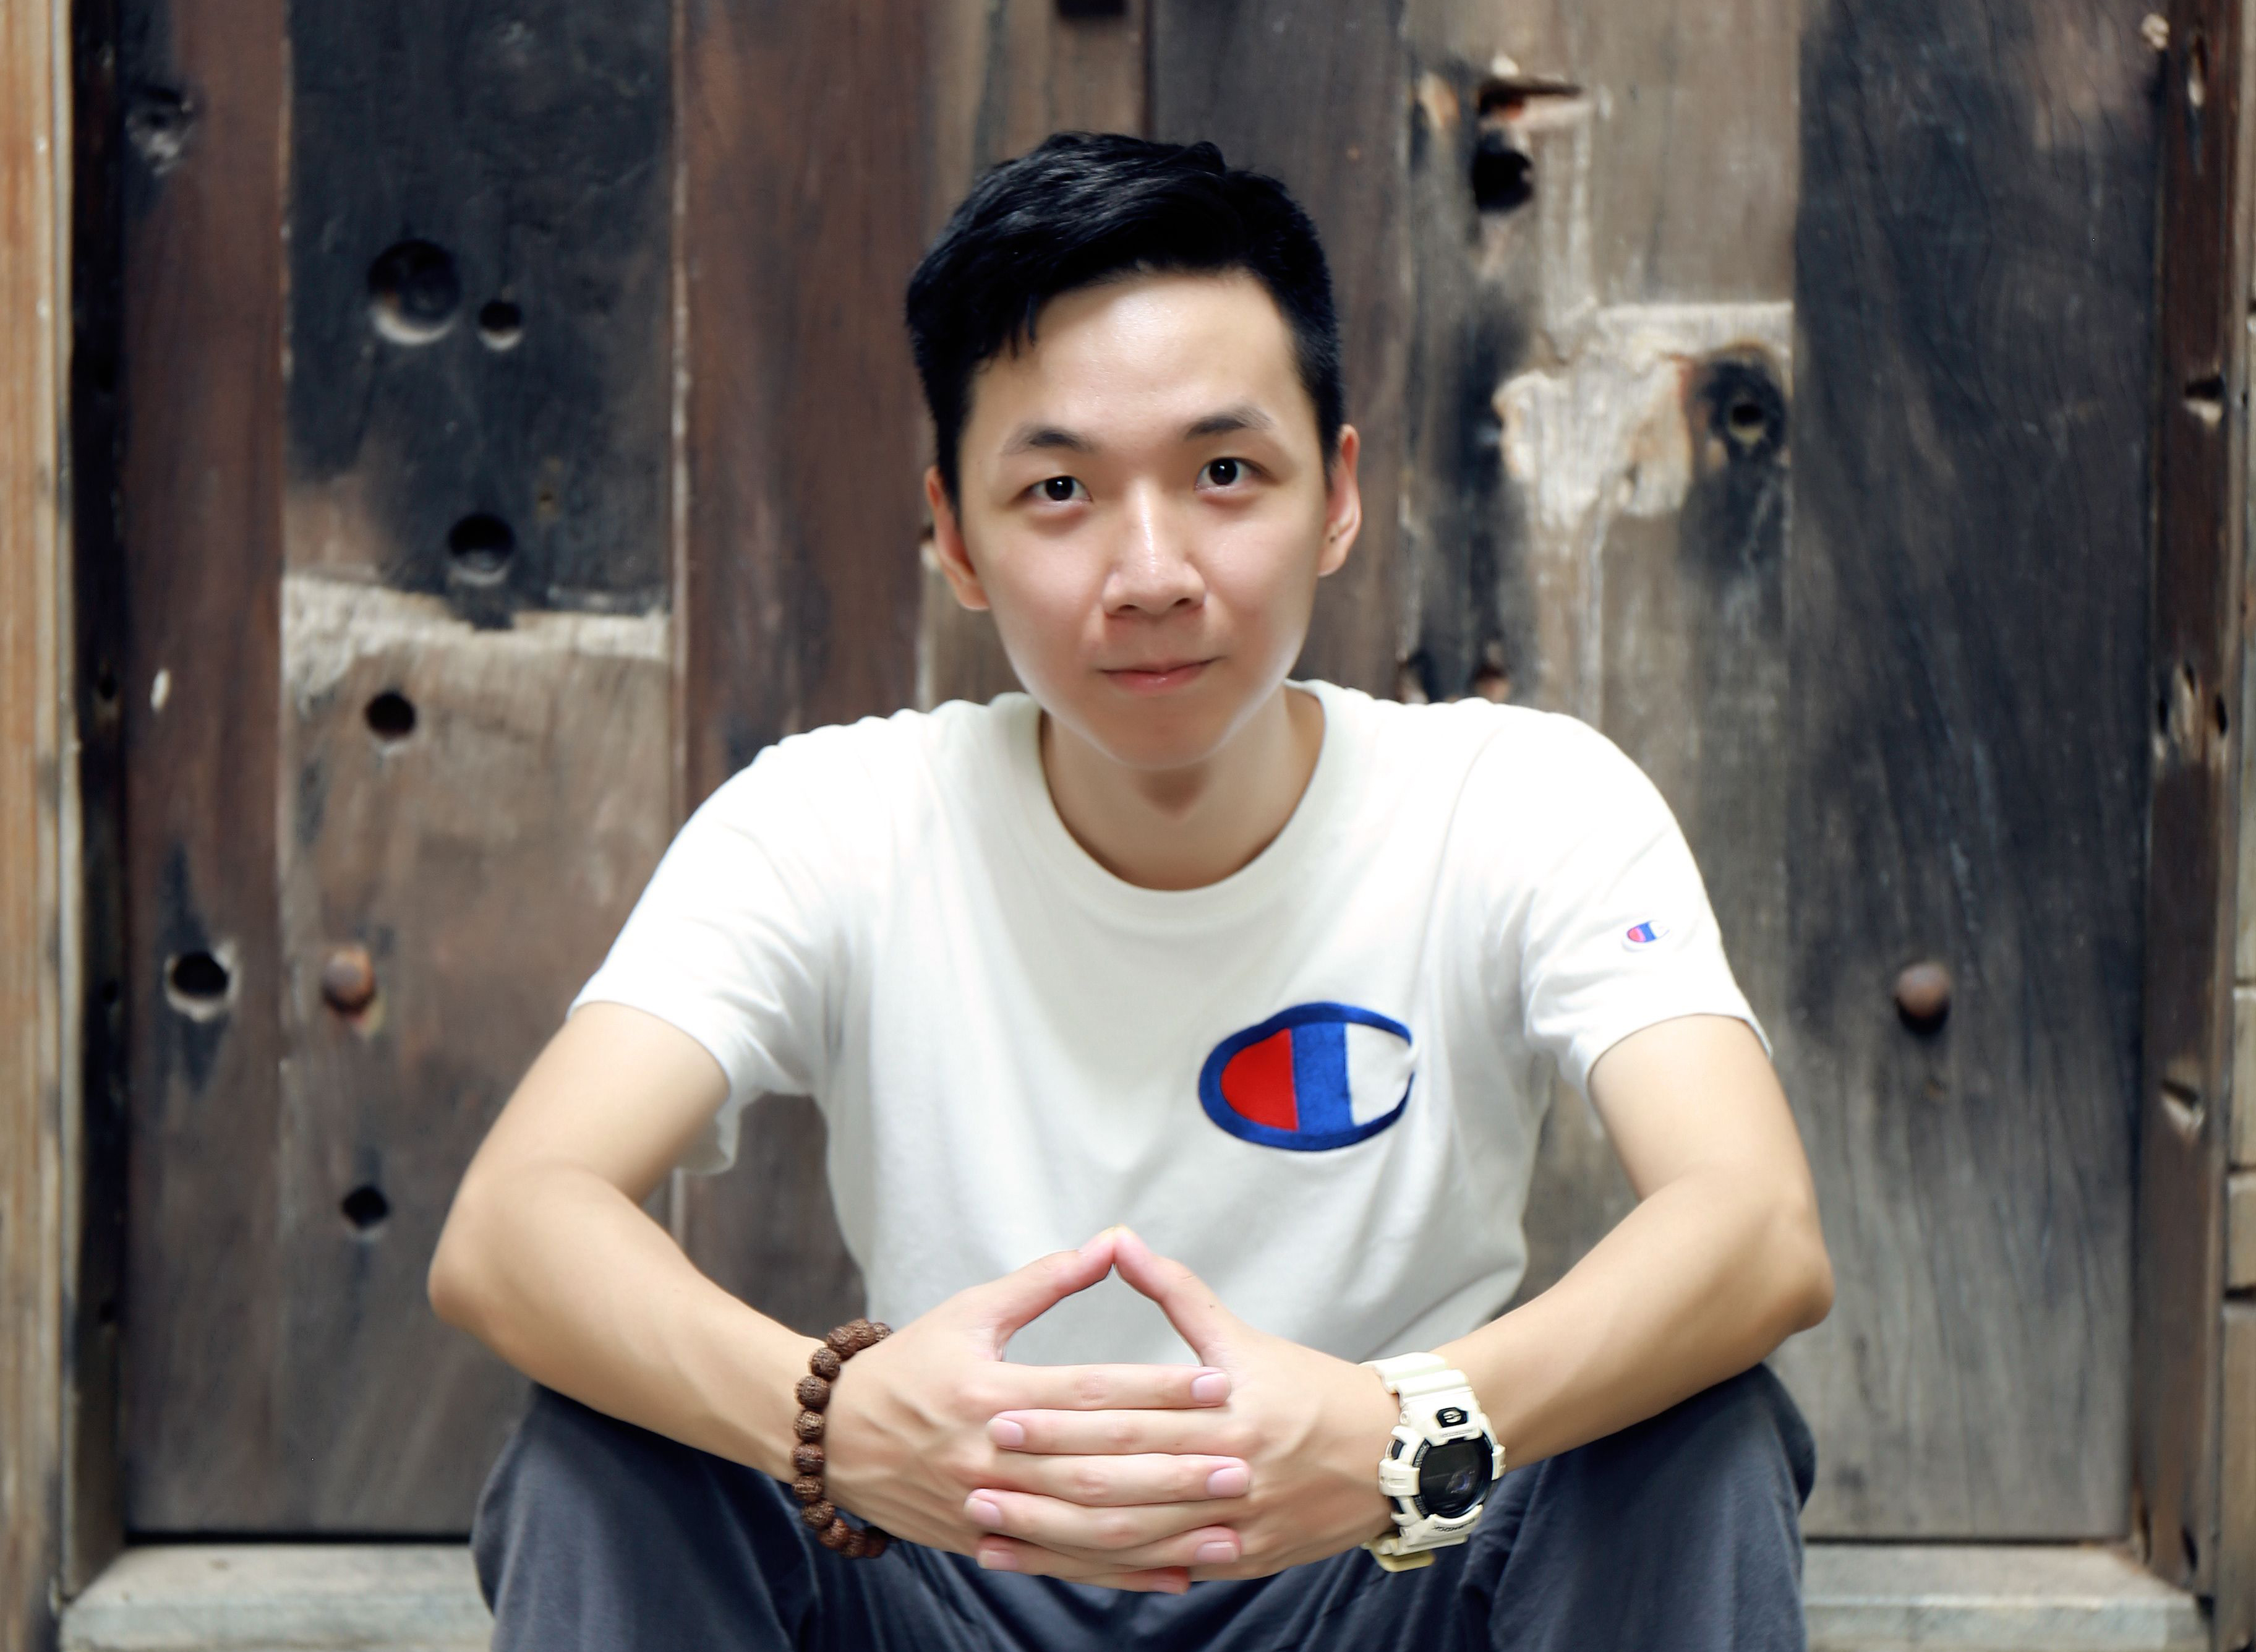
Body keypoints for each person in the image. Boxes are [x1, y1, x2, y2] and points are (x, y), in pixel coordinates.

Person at [430, 132, 1833, 1651]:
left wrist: (1397, 1426)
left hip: (1375, 1566)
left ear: (1337, 494)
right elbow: (513, 1223)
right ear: (955, 537)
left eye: (1225, 473)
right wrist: (831, 1417)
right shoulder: (833, 821)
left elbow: (1754, 1221)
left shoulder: (1524, 804)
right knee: (597, 1445)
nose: (1153, 570)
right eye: (1059, 489)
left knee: (1705, 1429)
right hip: (943, 1573)